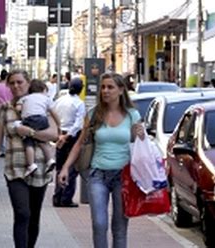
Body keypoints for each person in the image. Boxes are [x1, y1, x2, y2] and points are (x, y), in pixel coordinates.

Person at [58, 73, 145, 248]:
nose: (105, 91)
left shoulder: (132, 115)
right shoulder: (93, 114)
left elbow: (139, 146)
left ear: (121, 90)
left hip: (124, 176)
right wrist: (65, 167)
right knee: (99, 224)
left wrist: (141, 136)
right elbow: (80, 144)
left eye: (110, 87)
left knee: (119, 228)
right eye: (103, 87)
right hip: (97, 175)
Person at [0, 70, 59, 248]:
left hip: (39, 168)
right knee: (22, 213)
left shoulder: (41, 103)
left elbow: (54, 134)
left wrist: (31, 132)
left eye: (20, 82)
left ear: (28, 83)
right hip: (15, 169)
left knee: (33, 216)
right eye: (12, 83)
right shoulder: (4, 109)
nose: (16, 86)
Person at [13, 79, 59, 176]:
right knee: (43, 141)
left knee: (28, 141)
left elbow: (18, 108)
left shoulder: (26, 98)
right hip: (43, 119)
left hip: (29, 120)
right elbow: (54, 113)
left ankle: (31, 164)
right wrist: (59, 125)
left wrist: (22, 112)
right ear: (43, 89)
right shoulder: (46, 99)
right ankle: (50, 159)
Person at [52, 77, 86, 208]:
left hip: (61, 134)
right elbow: (79, 123)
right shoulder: (79, 103)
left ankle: (57, 196)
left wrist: (60, 134)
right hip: (72, 137)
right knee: (71, 168)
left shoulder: (60, 100)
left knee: (60, 167)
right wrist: (68, 136)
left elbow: (54, 115)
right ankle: (66, 198)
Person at [0, 69, 13, 157]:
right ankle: (8, 147)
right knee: (9, 129)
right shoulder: (10, 87)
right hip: (11, 108)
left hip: (0, 108)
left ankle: (3, 149)